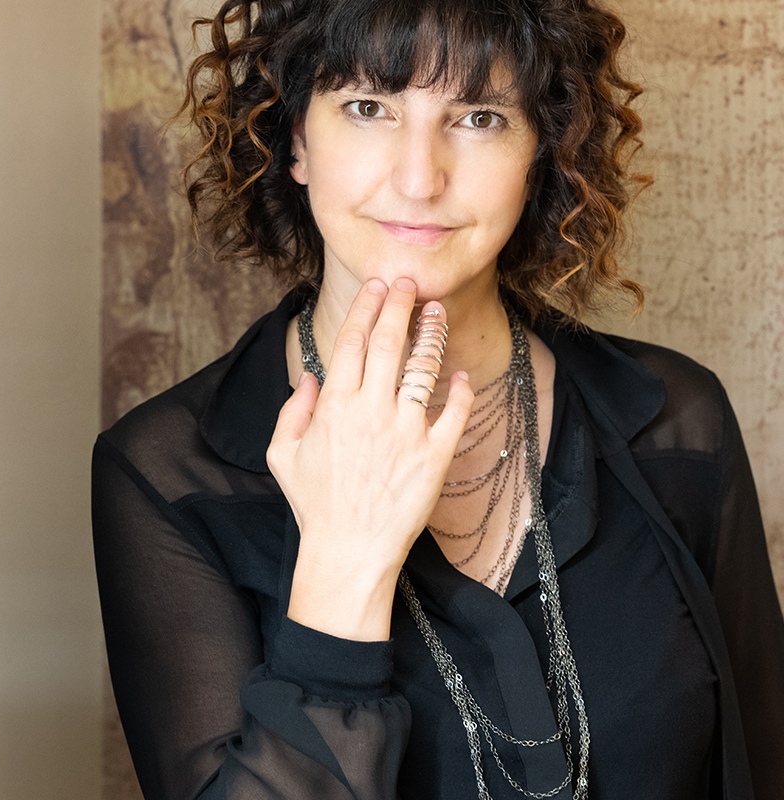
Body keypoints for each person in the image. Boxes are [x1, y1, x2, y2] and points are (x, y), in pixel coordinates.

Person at [92, 0, 784, 798]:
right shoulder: (166, 474)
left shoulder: (676, 422)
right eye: (368, 107)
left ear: (540, 153)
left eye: (479, 117)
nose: (419, 180)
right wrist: (344, 569)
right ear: (297, 140)